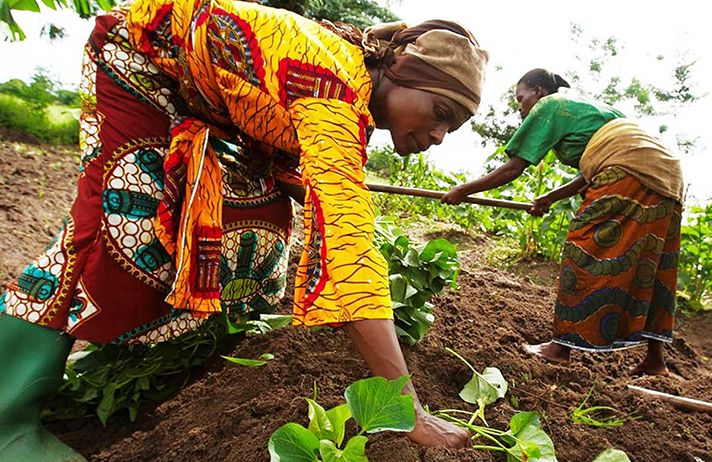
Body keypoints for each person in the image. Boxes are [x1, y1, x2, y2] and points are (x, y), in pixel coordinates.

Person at [0, 1, 489, 459]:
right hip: (136, 59)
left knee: (258, 224)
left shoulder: (349, 99)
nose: (438, 136)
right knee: (121, 229)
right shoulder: (332, 93)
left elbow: (314, 185)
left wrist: (339, 208)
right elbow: (349, 254)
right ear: (403, 72)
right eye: (439, 113)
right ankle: (8, 419)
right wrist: (410, 414)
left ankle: (165, 358)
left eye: (453, 130)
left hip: (198, 99)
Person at [442, 68, 683, 377]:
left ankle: (559, 349)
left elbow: (514, 167)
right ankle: (655, 360)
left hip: (628, 168)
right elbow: (590, 173)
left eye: (521, 98)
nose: (520, 107)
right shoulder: (596, 110)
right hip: (668, 174)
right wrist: (550, 198)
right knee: (653, 261)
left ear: (540, 92)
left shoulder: (550, 104)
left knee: (584, 246)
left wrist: (464, 189)